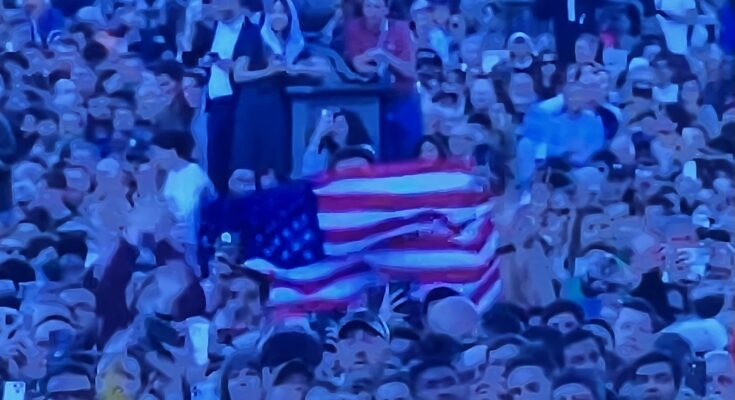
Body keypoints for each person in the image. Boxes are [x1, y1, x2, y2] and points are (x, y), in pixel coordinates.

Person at [344, 0, 421, 161]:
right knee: (379, 149)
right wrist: (368, 59)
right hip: (370, 98)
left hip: (402, 96)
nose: (372, 11)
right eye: (368, 6)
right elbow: (354, 64)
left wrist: (387, 58)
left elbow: (412, 72)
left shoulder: (401, 29)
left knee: (407, 149)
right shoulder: (353, 28)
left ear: (386, 10)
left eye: (377, 7)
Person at [302, 108, 372, 176]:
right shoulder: (325, 153)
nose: (335, 129)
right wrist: (319, 134)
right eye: (332, 125)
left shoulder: (364, 150)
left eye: (340, 125)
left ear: (352, 127)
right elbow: (310, 174)